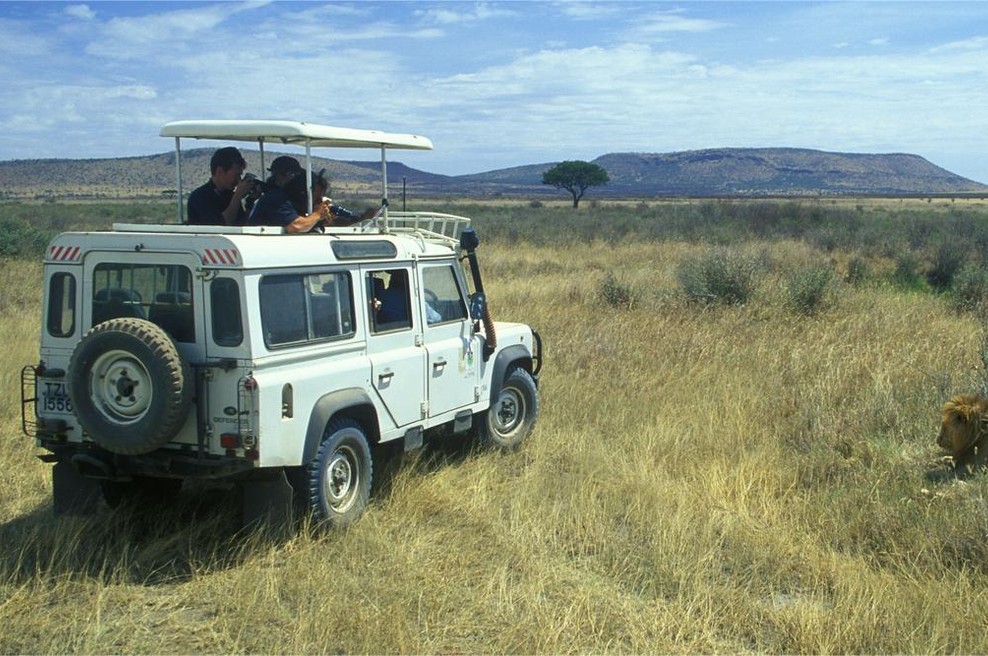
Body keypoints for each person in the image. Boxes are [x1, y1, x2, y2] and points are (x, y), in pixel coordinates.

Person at [247, 156, 331, 233]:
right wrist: (318, 214)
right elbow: (297, 226)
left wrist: (318, 220)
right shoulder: (276, 198)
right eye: (316, 199)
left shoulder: (285, 199)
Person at [187, 146, 254, 226]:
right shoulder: (200, 197)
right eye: (236, 175)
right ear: (220, 171)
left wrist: (250, 201)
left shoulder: (230, 196)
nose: (239, 179)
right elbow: (221, 225)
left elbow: (242, 225)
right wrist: (237, 196)